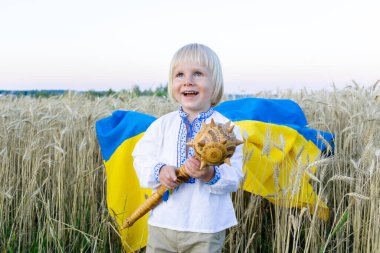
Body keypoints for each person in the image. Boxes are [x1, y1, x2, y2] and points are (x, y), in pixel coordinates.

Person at [132, 43, 243, 253]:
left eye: (198, 73)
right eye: (179, 75)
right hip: (163, 222)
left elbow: (234, 176)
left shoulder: (229, 131)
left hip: (206, 226)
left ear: (215, 83)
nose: (188, 81)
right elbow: (141, 157)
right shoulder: (162, 125)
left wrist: (209, 173)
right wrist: (160, 170)